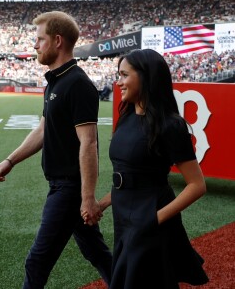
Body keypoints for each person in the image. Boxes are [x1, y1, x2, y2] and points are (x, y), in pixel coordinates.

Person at [0, 11, 112, 289]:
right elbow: (43, 130)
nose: (34, 45)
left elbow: (88, 143)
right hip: (62, 185)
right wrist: (11, 160)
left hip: (69, 189)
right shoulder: (56, 81)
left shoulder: (77, 83)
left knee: (37, 261)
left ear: (57, 41)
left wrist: (87, 197)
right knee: (97, 253)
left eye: (39, 39)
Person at [83, 49, 209, 288]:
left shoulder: (170, 125)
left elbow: (197, 185)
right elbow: (130, 175)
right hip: (124, 216)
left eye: (124, 75)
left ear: (146, 77)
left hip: (150, 217)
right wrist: (102, 203)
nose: (118, 82)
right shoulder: (127, 116)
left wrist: (154, 219)